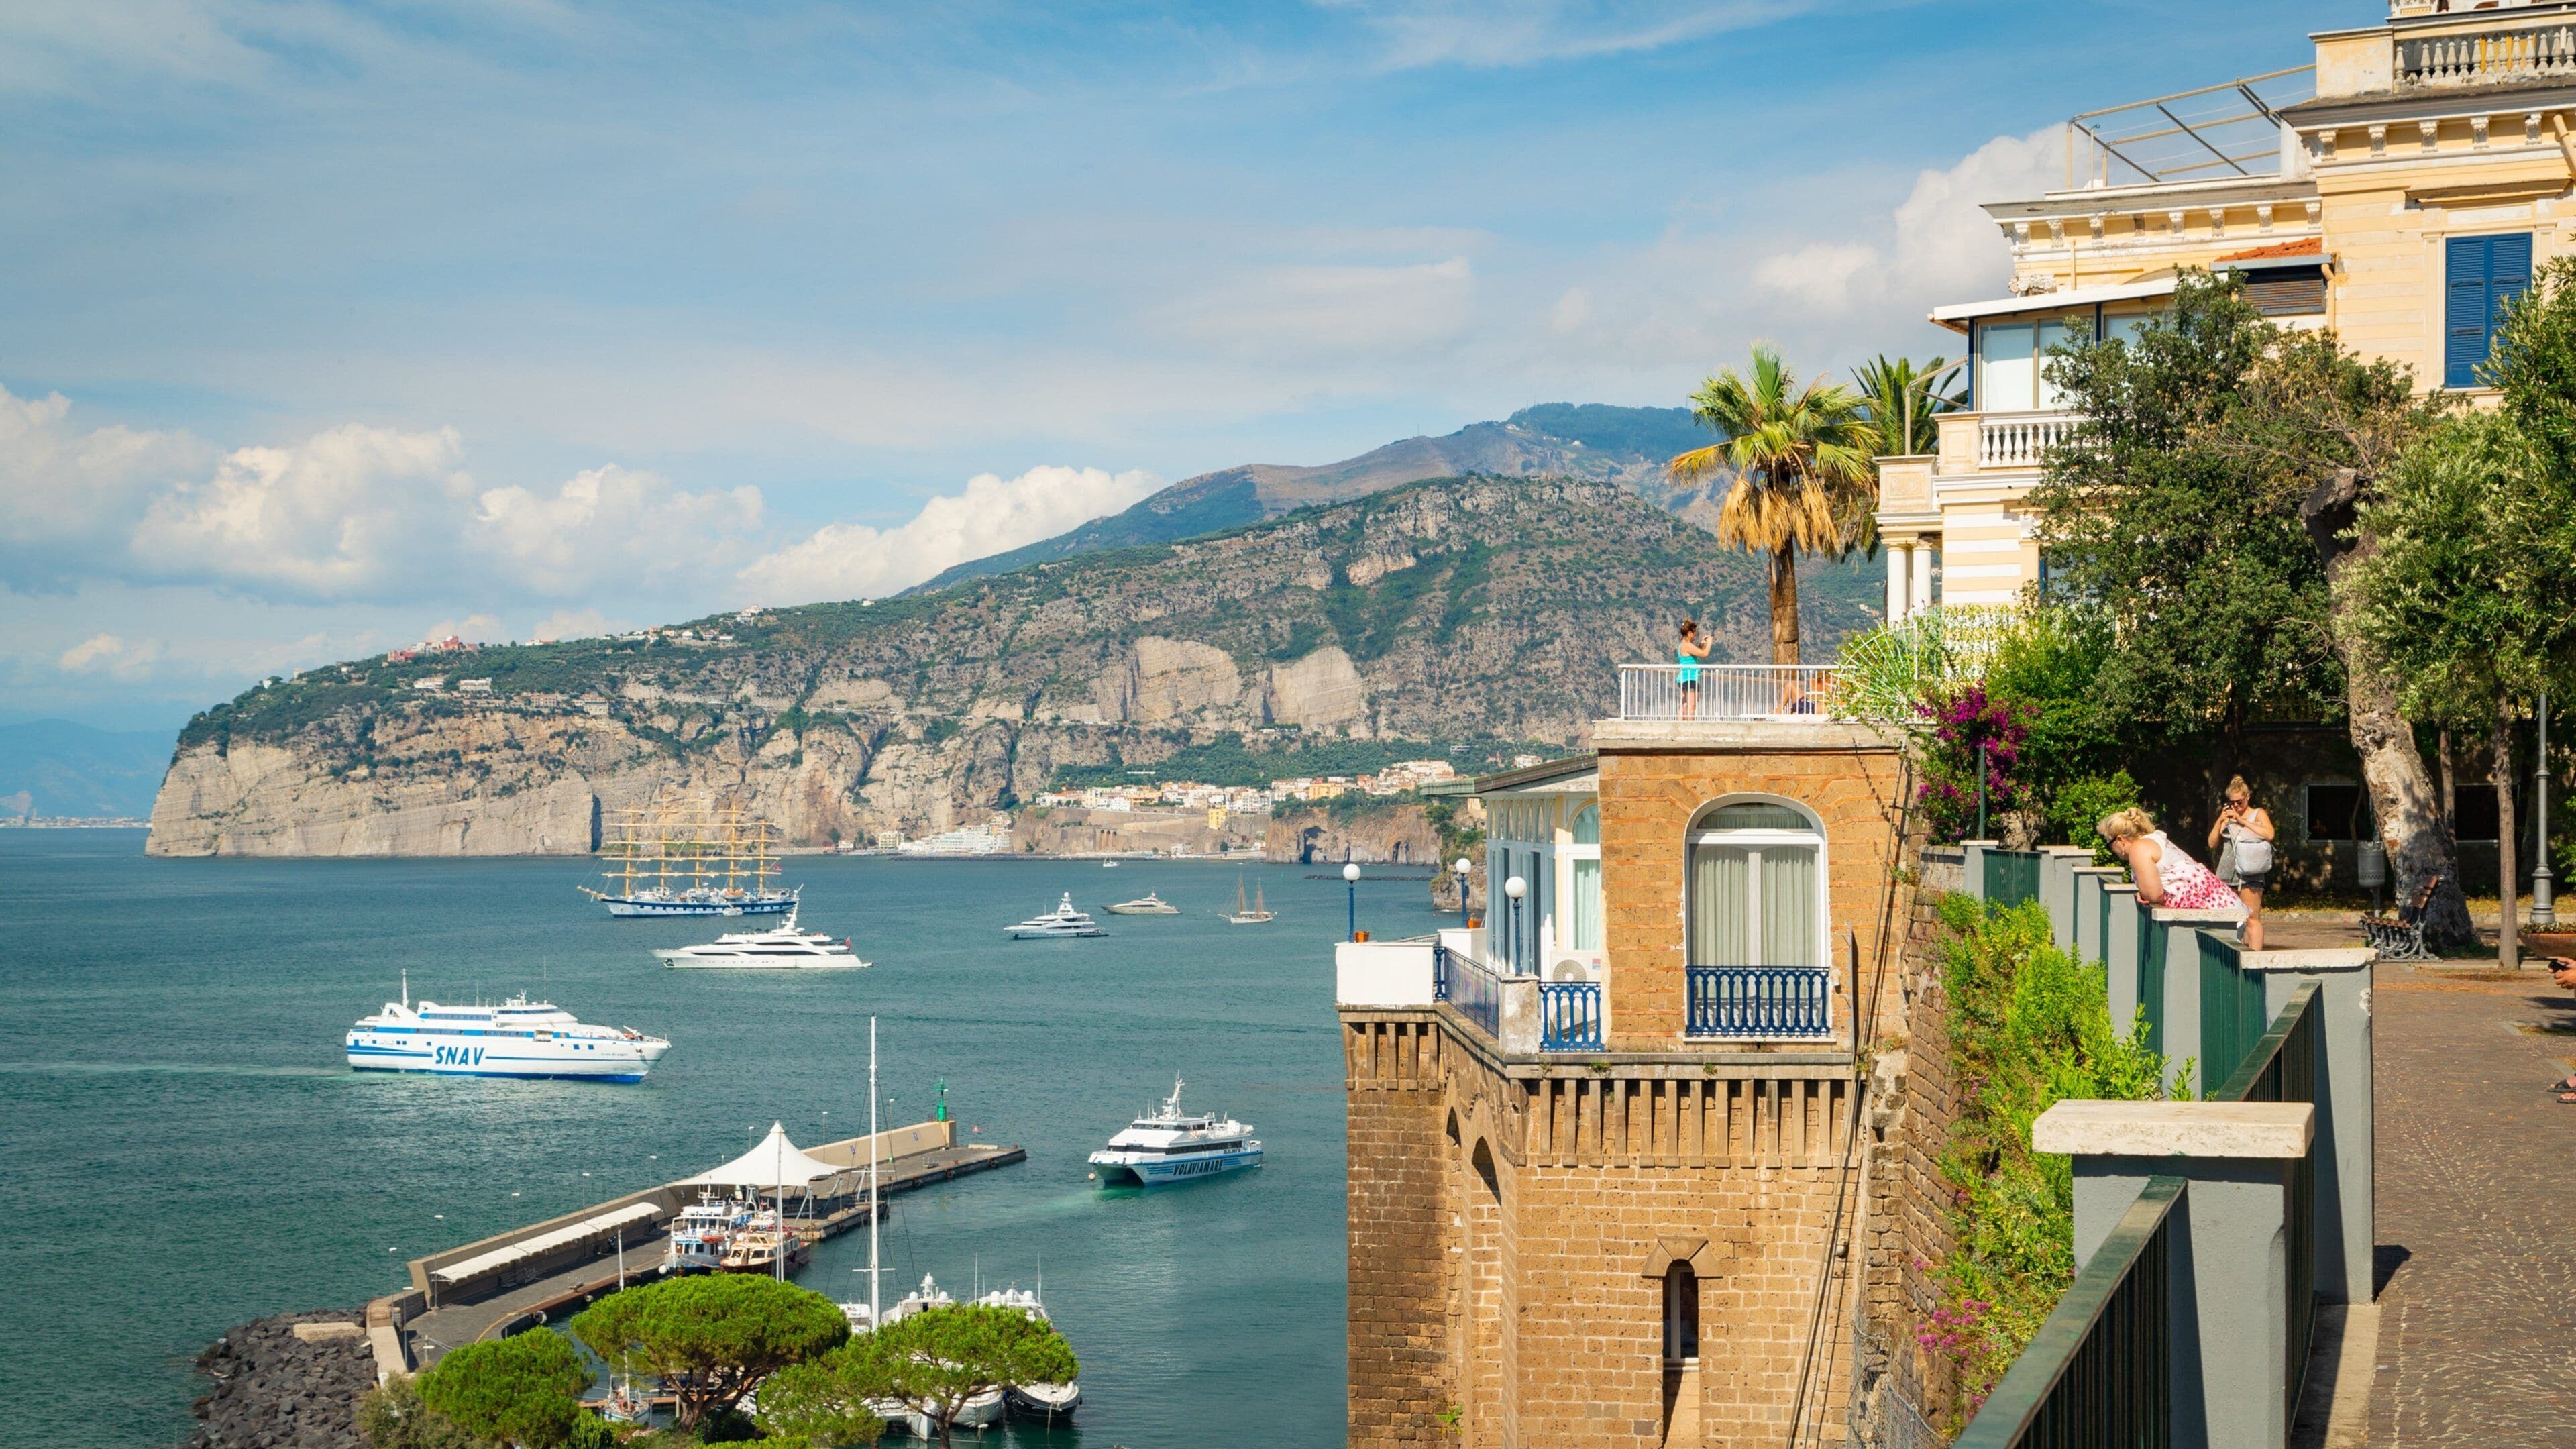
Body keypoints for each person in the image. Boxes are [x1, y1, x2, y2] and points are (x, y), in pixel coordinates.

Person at [2099, 806, 2247, 916]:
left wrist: (2145, 893)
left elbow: (2155, 895)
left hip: (2217, 914)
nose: (2111, 849)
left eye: (2109, 844)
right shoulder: (2152, 839)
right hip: (2223, 908)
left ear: (2120, 840)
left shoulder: (2139, 849)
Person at [2208, 775, 2277, 950]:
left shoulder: (2258, 813)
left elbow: (2270, 835)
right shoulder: (2227, 815)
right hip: (2227, 873)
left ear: (2247, 797)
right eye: (2233, 803)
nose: (2236, 806)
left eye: (2240, 802)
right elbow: (2212, 843)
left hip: (2250, 873)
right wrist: (2221, 820)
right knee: (2225, 918)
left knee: (2251, 918)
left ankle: (2254, 960)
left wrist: (2242, 821)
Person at [1676, 618, 1710, 718]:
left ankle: (1680, 728)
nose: (1695, 636)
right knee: (1692, 706)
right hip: (1690, 678)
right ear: (1690, 633)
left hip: (1683, 678)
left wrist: (1700, 645)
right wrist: (1709, 642)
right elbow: (1705, 654)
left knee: (1685, 705)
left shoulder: (1682, 644)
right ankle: (1689, 729)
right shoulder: (1687, 645)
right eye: (1695, 633)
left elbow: (1693, 655)